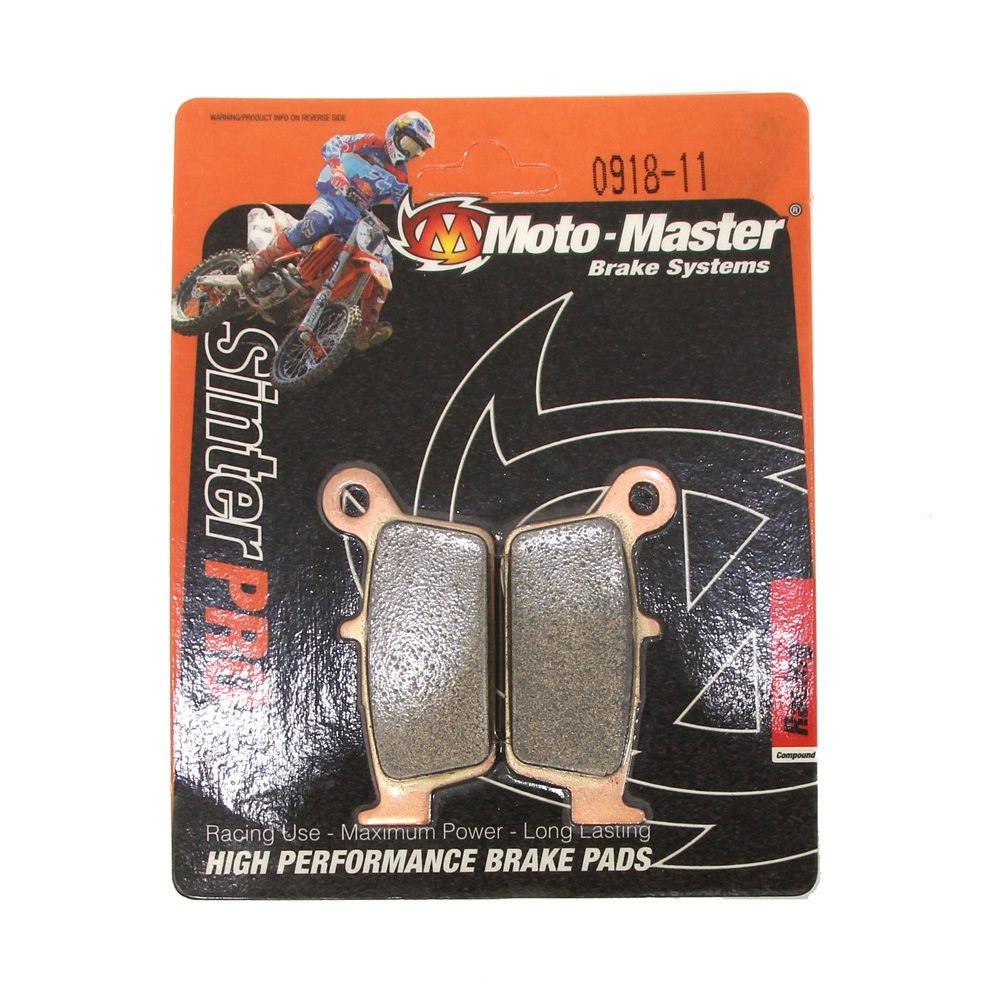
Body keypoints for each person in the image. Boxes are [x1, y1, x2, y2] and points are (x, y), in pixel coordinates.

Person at [238, 111, 435, 346]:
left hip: (356, 215)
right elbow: (334, 143)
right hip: (334, 198)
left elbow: (404, 208)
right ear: (395, 133)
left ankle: (367, 325)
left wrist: (417, 229)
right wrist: (338, 170)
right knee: (313, 225)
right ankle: (259, 263)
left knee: (385, 261)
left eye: (416, 150)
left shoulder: (401, 176)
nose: (409, 153)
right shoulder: (370, 142)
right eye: (409, 144)